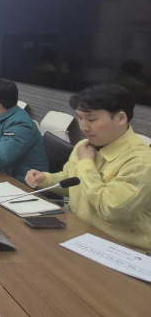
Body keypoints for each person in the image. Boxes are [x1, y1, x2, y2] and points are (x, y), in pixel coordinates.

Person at [26, 85, 151, 253]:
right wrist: (46, 179)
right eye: (80, 118)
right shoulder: (85, 146)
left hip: (120, 250)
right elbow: (74, 183)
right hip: (79, 234)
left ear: (121, 118)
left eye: (91, 120)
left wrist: (86, 163)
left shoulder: (141, 161)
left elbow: (111, 210)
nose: (83, 127)